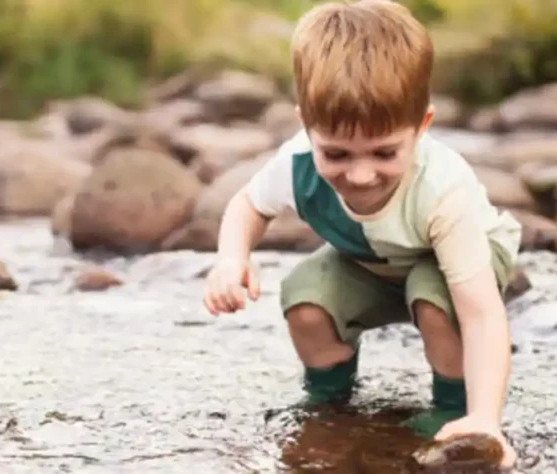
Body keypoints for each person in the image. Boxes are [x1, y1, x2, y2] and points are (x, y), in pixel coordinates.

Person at [201, 0, 521, 468]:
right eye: (337, 154)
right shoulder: (296, 163)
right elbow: (248, 204)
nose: (362, 174)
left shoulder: (441, 190)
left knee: (438, 303)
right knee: (307, 301)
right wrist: (232, 258)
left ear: (422, 126)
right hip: (370, 262)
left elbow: (481, 315)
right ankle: (331, 405)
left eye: (385, 152)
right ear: (306, 127)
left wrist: (487, 419)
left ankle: (454, 410)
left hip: (452, 264)